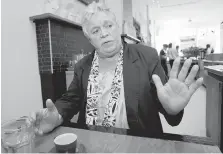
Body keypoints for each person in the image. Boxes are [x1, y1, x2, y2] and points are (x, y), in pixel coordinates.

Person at [29, 2, 203, 136]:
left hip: (138, 143)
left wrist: (172, 109)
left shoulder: (147, 56)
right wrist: (57, 116)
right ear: (90, 40)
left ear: (117, 27)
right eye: (96, 31)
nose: (104, 33)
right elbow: (70, 100)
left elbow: (166, 103)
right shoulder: (82, 66)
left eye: (108, 26)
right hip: (92, 142)